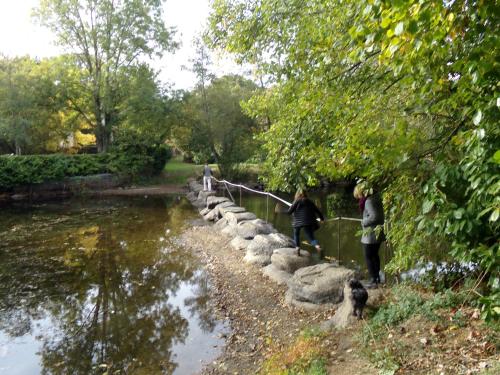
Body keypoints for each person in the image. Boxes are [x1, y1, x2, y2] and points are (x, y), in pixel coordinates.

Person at [353, 183, 385, 288]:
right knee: (374, 255)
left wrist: (364, 222)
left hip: (370, 234)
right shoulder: (376, 197)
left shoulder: (368, 201)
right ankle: (377, 278)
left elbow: (374, 216)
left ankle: (373, 280)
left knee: (368, 256)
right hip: (378, 232)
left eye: (358, 195)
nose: (359, 198)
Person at [287, 189, 324, 257]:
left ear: (297, 194)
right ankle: (318, 247)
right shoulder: (310, 201)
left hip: (297, 222)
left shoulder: (296, 201)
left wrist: (290, 208)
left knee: (296, 234)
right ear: (306, 194)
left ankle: (297, 248)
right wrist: (322, 219)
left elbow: (289, 212)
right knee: (311, 237)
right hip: (308, 222)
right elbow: (318, 211)